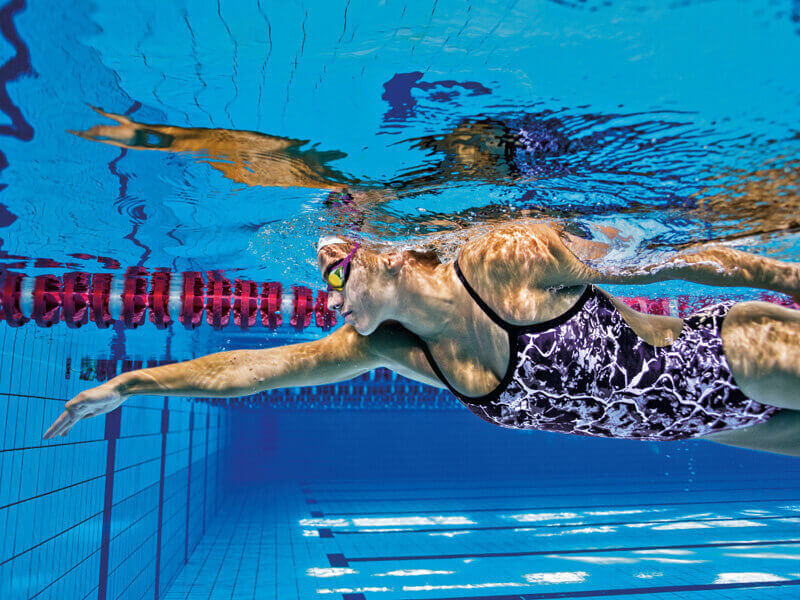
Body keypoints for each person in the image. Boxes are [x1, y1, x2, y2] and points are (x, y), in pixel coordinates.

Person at [44, 220, 800, 456]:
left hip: (725, 359)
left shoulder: (510, 260)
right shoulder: (394, 349)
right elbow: (258, 369)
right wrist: (130, 384)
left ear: (386, 254)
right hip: (704, 426)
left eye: (333, 270)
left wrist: (791, 280)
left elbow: (693, 259)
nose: (324, 279)